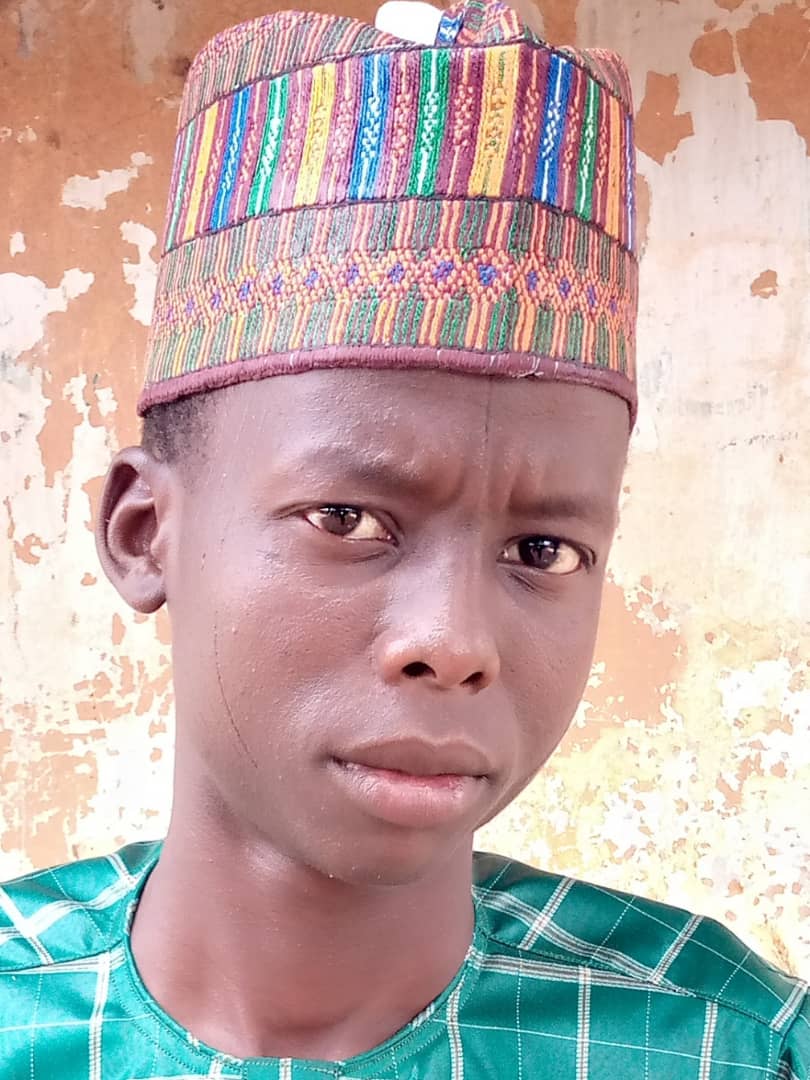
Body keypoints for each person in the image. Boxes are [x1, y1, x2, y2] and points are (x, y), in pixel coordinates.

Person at [1, 0, 807, 1076]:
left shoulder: (730, 1051)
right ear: (144, 533)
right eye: (347, 519)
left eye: (542, 551)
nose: (455, 642)